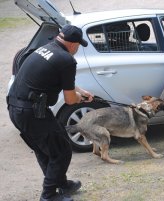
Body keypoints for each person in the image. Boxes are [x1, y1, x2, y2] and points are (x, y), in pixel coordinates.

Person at [7, 25, 94, 201]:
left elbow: (63, 81)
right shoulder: (67, 60)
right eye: (78, 45)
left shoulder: (45, 49)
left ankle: (62, 185)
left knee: (46, 149)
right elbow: (70, 100)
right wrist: (80, 98)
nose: (77, 49)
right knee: (61, 151)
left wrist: (81, 91)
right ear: (72, 44)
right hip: (32, 112)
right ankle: (48, 196)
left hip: (16, 108)